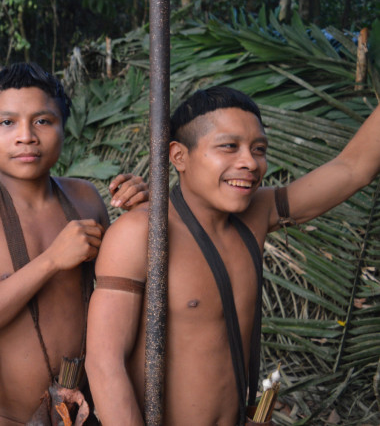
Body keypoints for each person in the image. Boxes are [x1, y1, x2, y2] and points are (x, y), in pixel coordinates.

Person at [86, 86, 380, 426]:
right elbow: (105, 363)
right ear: (179, 156)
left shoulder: (256, 215)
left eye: (259, 149)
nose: (250, 163)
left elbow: (354, 168)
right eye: (229, 146)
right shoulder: (141, 233)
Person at [0, 62, 149, 425]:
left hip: (82, 409)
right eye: (6, 123)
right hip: (3, 416)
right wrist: (52, 260)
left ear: (64, 129)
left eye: (43, 121)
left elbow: (123, 291)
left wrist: (143, 215)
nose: (26, 136)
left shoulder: (85, 199)